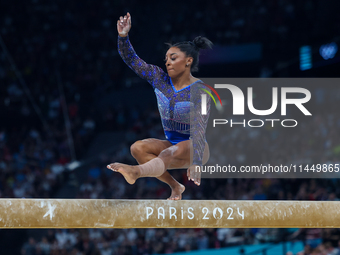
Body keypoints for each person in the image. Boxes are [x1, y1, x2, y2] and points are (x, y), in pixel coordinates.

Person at [107, 12, 212, 200]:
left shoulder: (201, 90)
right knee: (137, 148)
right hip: (171, 146)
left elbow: (200, 127)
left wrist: (196, 162)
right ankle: (175, 186)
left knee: (168, 151)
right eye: (166, 59)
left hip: (197, 148)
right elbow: (132, 61)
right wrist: (123, 37)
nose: (167, 62)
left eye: (173, 58)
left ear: (188, 61)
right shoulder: (159, 78)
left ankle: (135, 172)